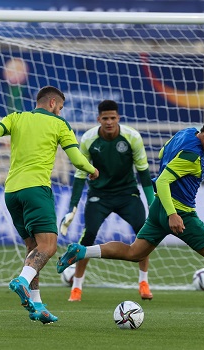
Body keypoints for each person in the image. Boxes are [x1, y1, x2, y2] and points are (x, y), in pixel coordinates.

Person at [57, 114, 204, 326]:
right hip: (180, 213)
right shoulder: (192, 155)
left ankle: (83, 251)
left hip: (158, 209)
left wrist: (201, 163)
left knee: (136, 252)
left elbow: (164, 153)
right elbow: (163, 181)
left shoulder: (187, 133)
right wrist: (173, 214)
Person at [0, 86, 98, 324]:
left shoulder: (15, 118)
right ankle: (22, 280)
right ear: (52, 103)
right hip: (36, 190)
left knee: (33, 248)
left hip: (11, 192)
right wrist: (92, 170)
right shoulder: (60, 125)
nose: (60, 112)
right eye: (60, 108)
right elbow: (77, 158)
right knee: (48, 246)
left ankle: (37, 305)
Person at [59, 100, 154, 302]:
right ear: (98, 119)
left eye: (112, 118)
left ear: (118, 118)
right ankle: (76, 286)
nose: (109, 122)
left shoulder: (132, 137)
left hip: (127, 194)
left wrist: (153, 203)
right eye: (105, 118)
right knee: (89, 235)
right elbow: (79, 174)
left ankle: (143, 282)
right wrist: (72, 207)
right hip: (99, 196)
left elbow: (144, 174)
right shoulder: (88, 139)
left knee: (143, 232)